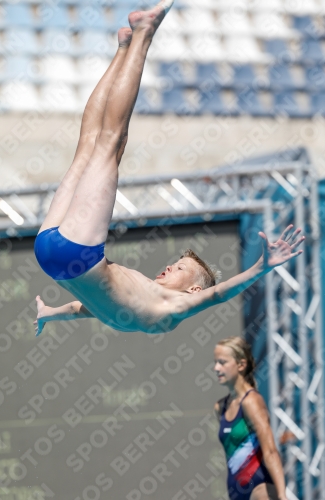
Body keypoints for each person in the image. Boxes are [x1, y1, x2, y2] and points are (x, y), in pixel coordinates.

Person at [33, 0, 305, 336]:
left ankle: (145, 33)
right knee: (90, 145)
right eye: (174, 263)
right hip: (52, 253)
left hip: (75, 252)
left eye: (179, 268)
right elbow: (80, 308)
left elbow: (219, 293)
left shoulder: (173, 306)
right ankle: (123, 49)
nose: (168, 267)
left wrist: (261, 268)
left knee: (109, 140)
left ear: (193, 290)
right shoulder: (142, 294)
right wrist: (50, 313)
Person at [214, 337, 288, 500]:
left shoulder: (252, 402)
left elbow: (270, 451)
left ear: (241, 365)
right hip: (236, 491)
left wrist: (282, 496)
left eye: (222, 362)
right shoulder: (220, 407)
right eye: (215, 362)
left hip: (260, 490)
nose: (216, 368)